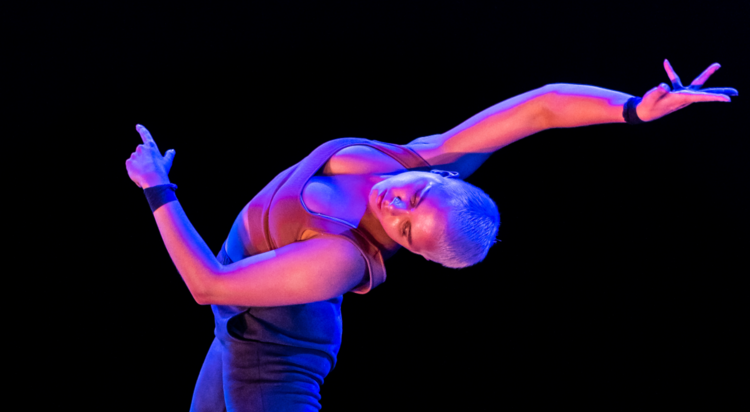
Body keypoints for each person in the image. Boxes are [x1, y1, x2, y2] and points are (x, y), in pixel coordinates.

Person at [126, 60, 735, 412]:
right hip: (236, 325)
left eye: (406, 230)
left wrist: (158, 188)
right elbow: (542, 107)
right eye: (415, 196)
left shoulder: (341, 257)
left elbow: (207, 284)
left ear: (409, 250)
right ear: (438, 174)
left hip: (272, 353)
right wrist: (635, 109)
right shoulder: (419, 155)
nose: (395, 207)